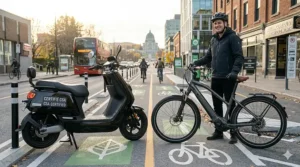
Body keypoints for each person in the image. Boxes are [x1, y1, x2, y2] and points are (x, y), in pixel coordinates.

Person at [192, 12, 244, 144]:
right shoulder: (213, 39)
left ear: (225, 23)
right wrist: (195, 63)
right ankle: (219, 131)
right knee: (217, 106)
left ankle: (234, 133)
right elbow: (208, 57)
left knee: (230, 106)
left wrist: (234, 72)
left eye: (219, 22)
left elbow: (239, 57)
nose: (217, 25)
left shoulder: (232, 37)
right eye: (215, 23)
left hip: (228, 77)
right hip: (215, 77)